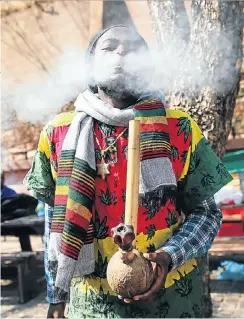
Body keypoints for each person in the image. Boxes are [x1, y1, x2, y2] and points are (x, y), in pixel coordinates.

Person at [24, 25, 232, 318]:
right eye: (109, 48)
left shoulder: (179, 128)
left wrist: (168, 257)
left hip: (173, 301)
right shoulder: (59, 133)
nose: (122, 52)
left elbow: (207, 214)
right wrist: (56, 297)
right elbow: (53, 224)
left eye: (134, 48)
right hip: (92, 304)